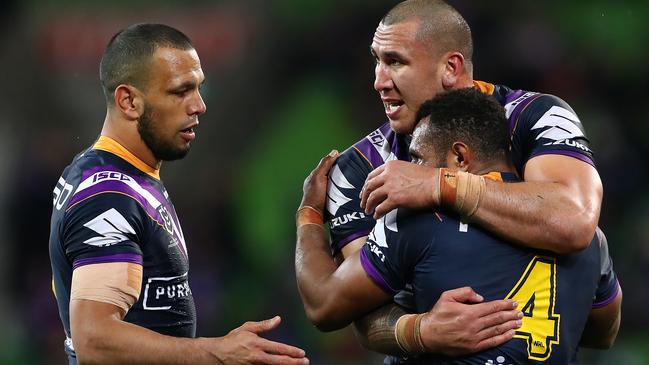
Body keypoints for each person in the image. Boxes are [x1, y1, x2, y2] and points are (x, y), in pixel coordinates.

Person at [301, 0, 607, 357]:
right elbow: (351, 307)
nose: (378, 81)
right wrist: (419, 331)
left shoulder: (536, 117)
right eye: (376, 60)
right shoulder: (358, 169)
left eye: (395, 61)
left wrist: (440, 185)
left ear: (451, 67)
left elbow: (573, 222)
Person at [49, 24, 309, 365]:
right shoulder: (108, 195)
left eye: (199, 88)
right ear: (129, 101)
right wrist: (215, 353)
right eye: (179, 91)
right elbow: (93, 339)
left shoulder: (121, 174)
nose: (199, 105)